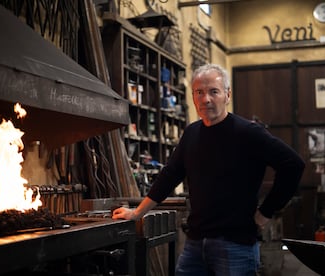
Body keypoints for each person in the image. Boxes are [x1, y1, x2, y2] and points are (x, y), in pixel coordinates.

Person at [112, 63, 305, 275]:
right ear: (193, 97)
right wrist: (137, 212)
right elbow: (170, 175)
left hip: (235, 245)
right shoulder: (192, 133)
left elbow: (293, 165)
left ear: (227, 95)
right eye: (199, 92)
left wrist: (266, 212)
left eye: (214, 91)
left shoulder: (248, 133)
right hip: (195, 243)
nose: (206, 99)